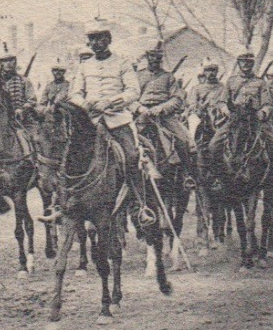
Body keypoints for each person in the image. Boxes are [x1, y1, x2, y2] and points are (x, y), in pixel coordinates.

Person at [71, 22, 152, 215]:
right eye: (92, 39)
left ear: (108, 40)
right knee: (68, 153)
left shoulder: (122, 63)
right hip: (90, 121)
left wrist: (110, 102)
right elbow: (75, 94)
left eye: (100, 38)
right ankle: (65, 201)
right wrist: (85, 104)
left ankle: (140, 205)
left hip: (118, 120)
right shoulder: (84, 66)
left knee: (132, 156)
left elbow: (133, 91)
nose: (96, 43)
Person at [136, 43, 195, 186]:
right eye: (151, 57)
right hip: (140, 113)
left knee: (182, 138)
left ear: (160, 59)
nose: (154, 60)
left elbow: (176, 99)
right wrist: (139, 108)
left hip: (164, 116)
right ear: (147, 57)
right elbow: (131, 95)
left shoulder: (169, 77)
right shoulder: (137, 76)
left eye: (157, 57)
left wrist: (162, 108)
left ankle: (187, 174)